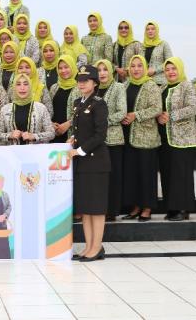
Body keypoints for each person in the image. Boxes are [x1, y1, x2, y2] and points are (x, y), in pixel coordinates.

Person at [69, 65, 110, 261]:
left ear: (95, 82)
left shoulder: (99, 104)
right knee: (86, 208)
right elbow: (80, 131)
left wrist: (80, 150)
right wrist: (73, 141)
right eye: (80, 79)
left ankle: (97, 247)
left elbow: (100, 135)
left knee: (97, 208)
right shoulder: (78, 102)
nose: (82, 83)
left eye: (86, 80)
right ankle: (89, 246)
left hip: (96, 163)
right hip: (82, 163)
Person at [156, 57, 196, 221]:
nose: (170, 72)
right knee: (168, 173)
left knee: (182, 175)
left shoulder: (187, 86)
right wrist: (159, 116)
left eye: (173, 69)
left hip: (184, 139)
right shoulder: (163, 88)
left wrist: (171, 115)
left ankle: (184, 209)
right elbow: (158, 110)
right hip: (166, 138)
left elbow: (193, 108)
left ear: (179, 69)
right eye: (167, 69)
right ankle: (172, 208)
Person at [121, 55, 162, 222]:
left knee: (146, 173)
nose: (136, 69)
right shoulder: (125, 85)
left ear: (145, 68)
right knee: (132, 174)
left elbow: (157, 108)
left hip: (146, 137)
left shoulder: (151, 85)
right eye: (133, 66)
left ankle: (147, 207)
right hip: (128, 136)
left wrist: (135, 115)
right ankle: (136, 206)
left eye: (139, 66)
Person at [94, 60, 127, 222]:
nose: (102, 73)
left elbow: (122, 112)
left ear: (110, 71)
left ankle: (112, 210)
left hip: (113, 139)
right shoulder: (93, 89)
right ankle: (101, 209)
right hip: (96, 142)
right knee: (100, 177)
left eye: (105, 69)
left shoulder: (119, 88)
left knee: (113, 176)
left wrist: (102, 122)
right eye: (99, 70)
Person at [0, 73, 55, 145]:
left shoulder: (41, 108)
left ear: (30, 87)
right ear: (14, 88)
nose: (22, 88)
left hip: (36, 153)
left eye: (25, 84)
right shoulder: (5, 109)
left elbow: (51, 133)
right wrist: (10, 135)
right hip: (12, 154)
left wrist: (34, 136)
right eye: (18, 84)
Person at [48, 55, 80, 144]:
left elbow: (84, 112)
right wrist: (51, 124)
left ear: (73, 67)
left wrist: (69, 123)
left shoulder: (80, 88)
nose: (63, 71)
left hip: (72, 135)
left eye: (66, 67)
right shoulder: (54, 88)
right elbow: (49, 109)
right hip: (55, 132)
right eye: (60, 68)